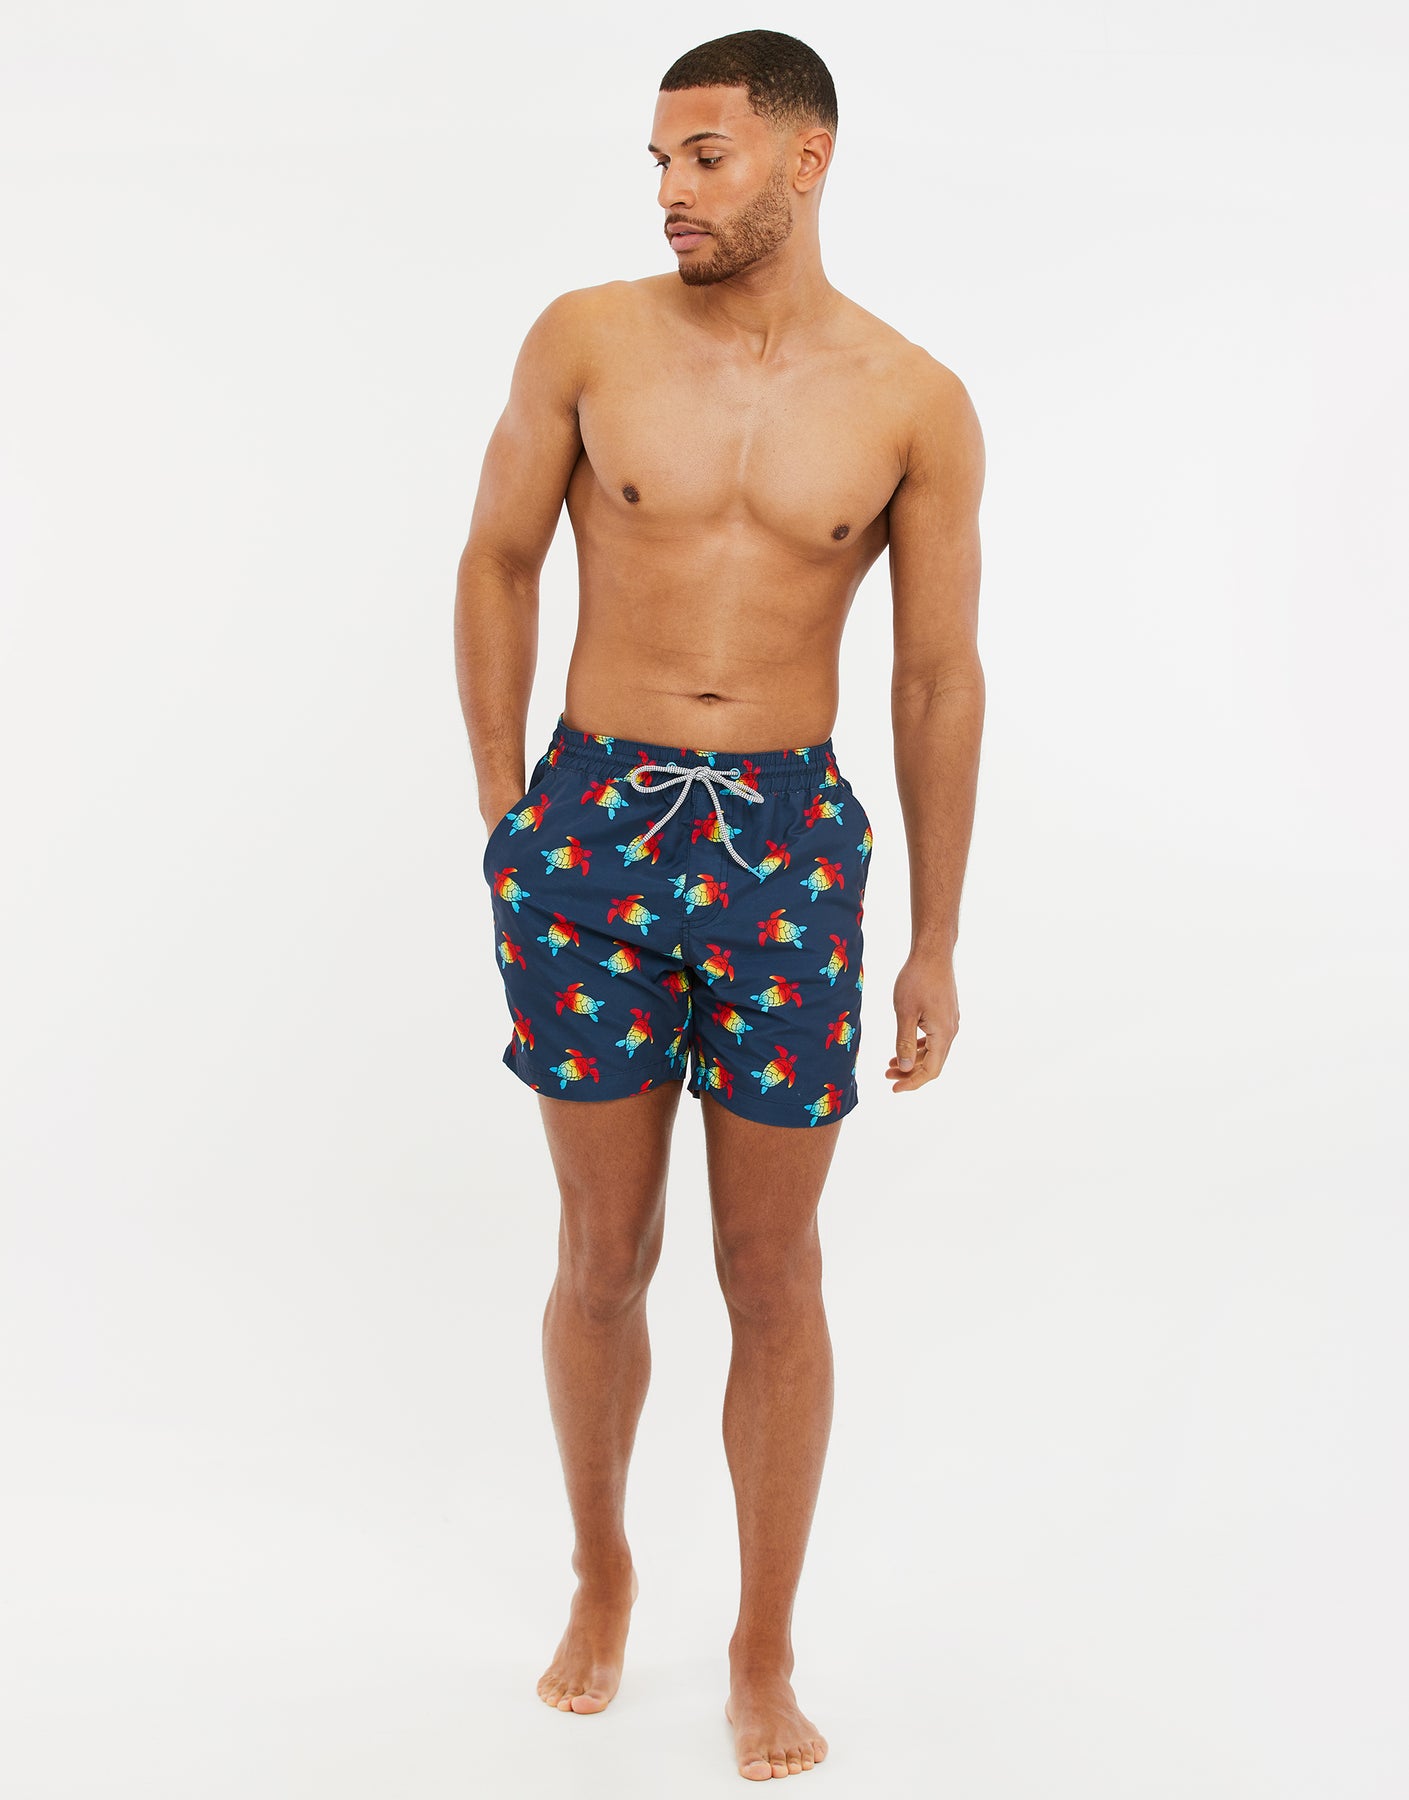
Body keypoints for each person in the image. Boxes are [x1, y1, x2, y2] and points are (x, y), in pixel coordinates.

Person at [453, 27, 984, 1783]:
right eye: (659, 163)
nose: (671, 192)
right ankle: (600, 1570)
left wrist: (933, 933)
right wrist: (505, 810)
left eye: (706, 158)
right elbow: (497, 562)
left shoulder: (910, 398)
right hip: (589, 832)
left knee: (772, 1269)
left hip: (788, 848)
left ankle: (761, 1644)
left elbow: (935, 676)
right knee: (602, 1256)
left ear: (805, 160)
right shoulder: (585, 338)